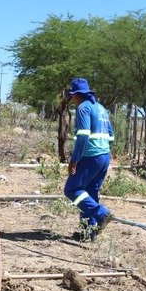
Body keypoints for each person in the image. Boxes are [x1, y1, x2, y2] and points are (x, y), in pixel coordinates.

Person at [63, 78, 115, 241]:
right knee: (90, 193)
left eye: (72, 96)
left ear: (77, 95)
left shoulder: (83, 108)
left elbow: (83, 136)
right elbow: (111, 136)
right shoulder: (100, 108)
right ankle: (88, 234)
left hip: (90, 156)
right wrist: (104, 151)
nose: (72, 99)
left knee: (72, 189)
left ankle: (102, 214)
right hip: (104, 156)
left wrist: (74, 159)